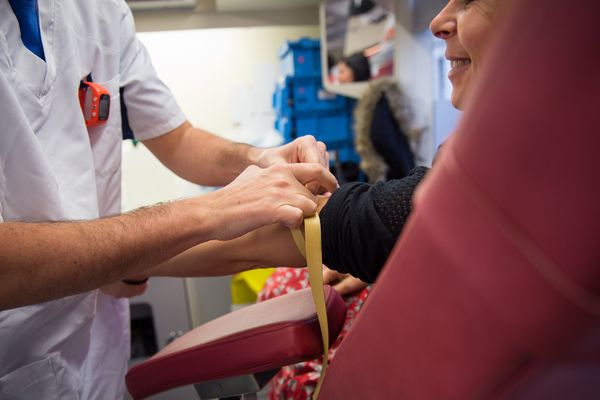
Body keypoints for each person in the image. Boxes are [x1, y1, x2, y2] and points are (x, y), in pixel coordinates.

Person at [0, 1, 337, 398]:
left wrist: (260, 159)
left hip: (95, 340)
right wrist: (214, 210)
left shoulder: (100, 10)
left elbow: (177, 139)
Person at [144, 0, 509, 283]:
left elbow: (255, 241)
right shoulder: (521, 165)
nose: (436, 22)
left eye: (470, 0)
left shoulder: (481, 183)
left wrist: (126, 264)